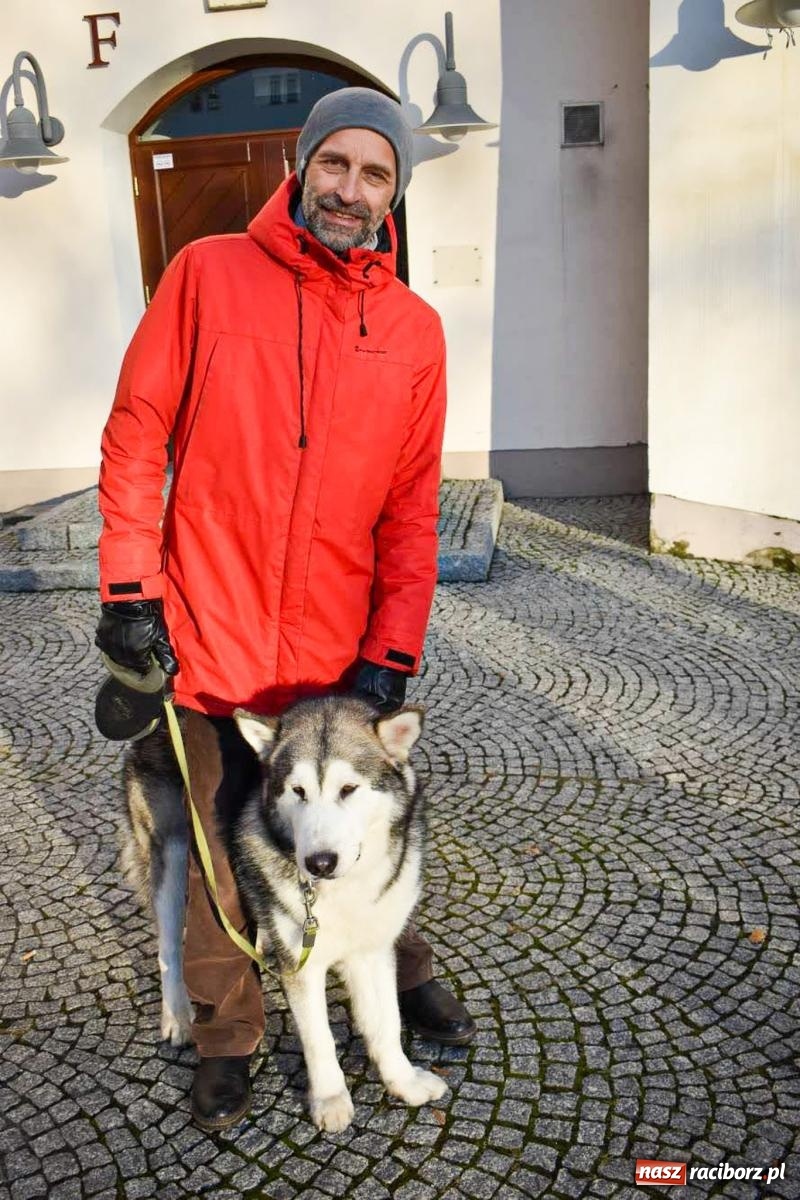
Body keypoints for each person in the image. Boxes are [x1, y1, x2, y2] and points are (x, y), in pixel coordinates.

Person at [95, 87, 475, 1132]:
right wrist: (130, 592)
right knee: (226, 846)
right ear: (301, 166)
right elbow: (135, 435)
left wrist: (393, 650)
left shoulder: (411, 330)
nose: (351, 188)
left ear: (393, 193)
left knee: (350, 823)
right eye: (336, 164)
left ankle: (394, 969)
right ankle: (227, 1031)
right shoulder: (207, 273)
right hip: (209, 637)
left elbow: (408, 509)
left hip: (333, 654)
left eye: (374, 173)